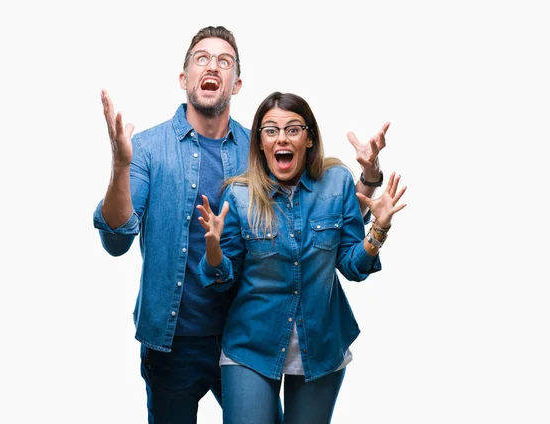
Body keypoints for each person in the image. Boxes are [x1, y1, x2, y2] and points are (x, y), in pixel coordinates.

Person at [93, 25, 389, 423]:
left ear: (237, 83)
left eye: (224, 60)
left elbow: (317, 216)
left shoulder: (261, 148)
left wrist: (369, 183)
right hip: (174, 340)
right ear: (184, 78)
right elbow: (116, 239)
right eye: (201, 58)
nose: (212, 65)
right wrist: (120, 166)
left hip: (251, 336)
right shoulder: (146, 149)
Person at [196, 91, 407, 424]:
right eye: (271, 130)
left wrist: (378, 231)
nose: (282, 137)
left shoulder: (336, 183)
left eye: (293, 129)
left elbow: (352, 266)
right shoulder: (238, 194)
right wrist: (213, 250)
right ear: (260, 142)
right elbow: (223, 279)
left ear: (308, 138)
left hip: (321, 346)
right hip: (251, 347)